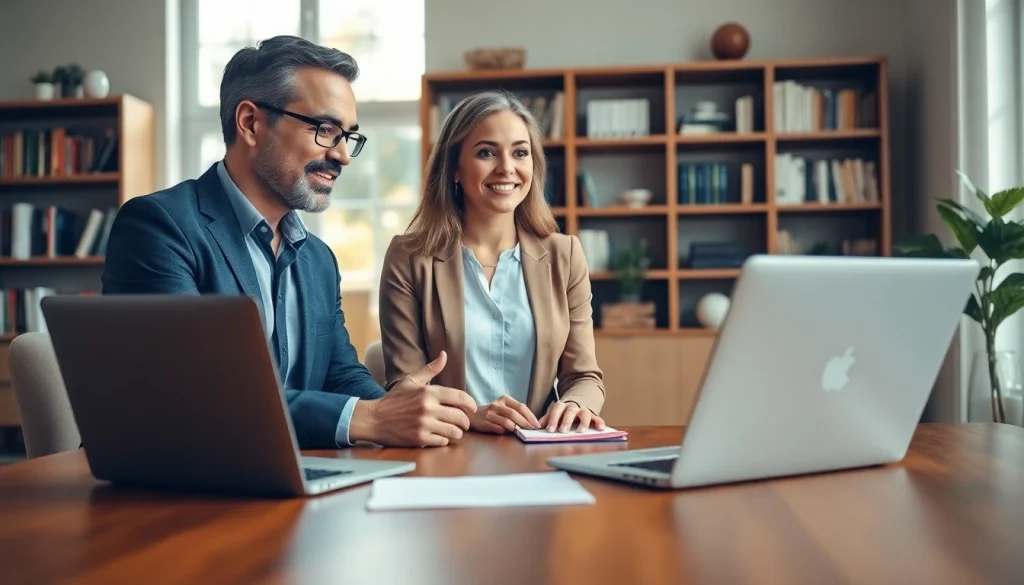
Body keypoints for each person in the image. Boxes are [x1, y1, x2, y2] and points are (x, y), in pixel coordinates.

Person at [101, 35, 477, 450]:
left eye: (348, 135)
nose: (344, 156)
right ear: (251, 123)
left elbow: (340, 376)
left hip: (293, 479)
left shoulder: (318, 260)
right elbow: (188, 391)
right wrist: (367, 418)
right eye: (326, 129)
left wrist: (403, 409)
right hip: (177, 487)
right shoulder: (160, 227)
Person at [378, 89, 607, 434]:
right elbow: (405, 387)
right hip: (449, 446)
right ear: (455, 167)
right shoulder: (409, 258)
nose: (507, 168)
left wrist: (576, 404)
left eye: (520, 153)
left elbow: (585, 375)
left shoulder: (565, 255)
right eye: (486, 152)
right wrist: (471, 415)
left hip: (539, 446)